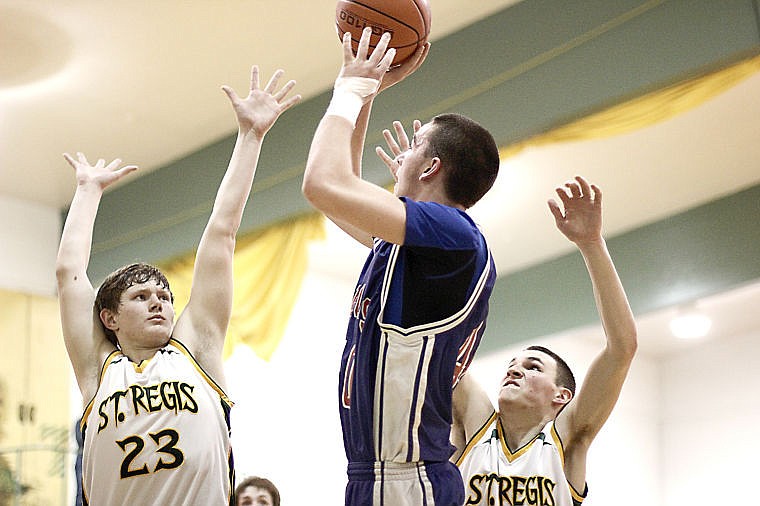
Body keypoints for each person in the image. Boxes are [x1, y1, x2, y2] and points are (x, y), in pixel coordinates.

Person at [56, 66, 300, 505]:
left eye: (165, 296)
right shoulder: (98, 368)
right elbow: (68, 275)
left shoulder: (196, 347)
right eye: (141, 297)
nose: (159, 303)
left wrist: (251, 137)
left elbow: (222, 234)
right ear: (108, 317)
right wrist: (88, 191)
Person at [302, 28, 500, 506]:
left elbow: (321, 183)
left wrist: (348, 87)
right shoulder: (418, 249)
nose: (402, 155)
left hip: (410, 481)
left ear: (430, 168)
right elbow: (341, 195)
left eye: (414, 147)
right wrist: (368, 90)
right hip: (377, 477)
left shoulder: (454, 237)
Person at [451, 176, 638, 506]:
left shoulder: (566, 438)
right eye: (512, 365)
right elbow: (439, 343)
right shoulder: (478, 424)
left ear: (561, 396)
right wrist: (422, 205)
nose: (514, 370)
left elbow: (622, 347)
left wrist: (592, 244)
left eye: (532, 366)